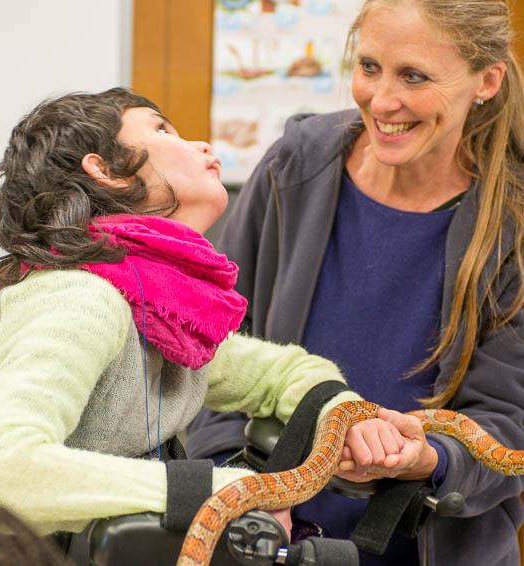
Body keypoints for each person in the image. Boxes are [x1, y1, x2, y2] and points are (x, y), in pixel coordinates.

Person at [0, 87, 390, 542]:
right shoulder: (79, 297)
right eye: (162, 129)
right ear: (105, 170)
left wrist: (347, 414)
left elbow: (279, 373)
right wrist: (221, 490)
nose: (201, 145)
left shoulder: (152, 304)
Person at [186, 0, 524, 564]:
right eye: (369, 67)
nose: (381, 100)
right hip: (266, 540)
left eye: (413, 75)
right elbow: (210, 343)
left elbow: (507, 427)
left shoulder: (510, 223)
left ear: (486, 81)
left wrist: (430, 458)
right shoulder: (295, 166)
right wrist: (237, 484)